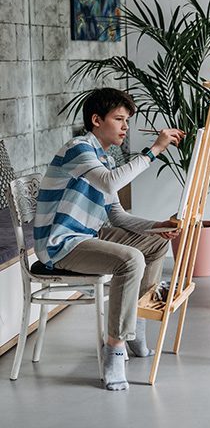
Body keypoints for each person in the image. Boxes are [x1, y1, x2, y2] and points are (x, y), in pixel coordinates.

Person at [33, 87, 184, 391]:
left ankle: (136, 325)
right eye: (119, 119)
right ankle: (114, 349)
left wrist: (158, 226)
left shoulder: (104, 157)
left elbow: (117, 216)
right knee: (131, 259)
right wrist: (153, 150)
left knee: (155, 244)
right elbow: (111, 182)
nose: (125, 127)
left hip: (88, 233)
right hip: (61, 242)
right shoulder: (78, 149)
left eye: (127, 119)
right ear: (96, 120)